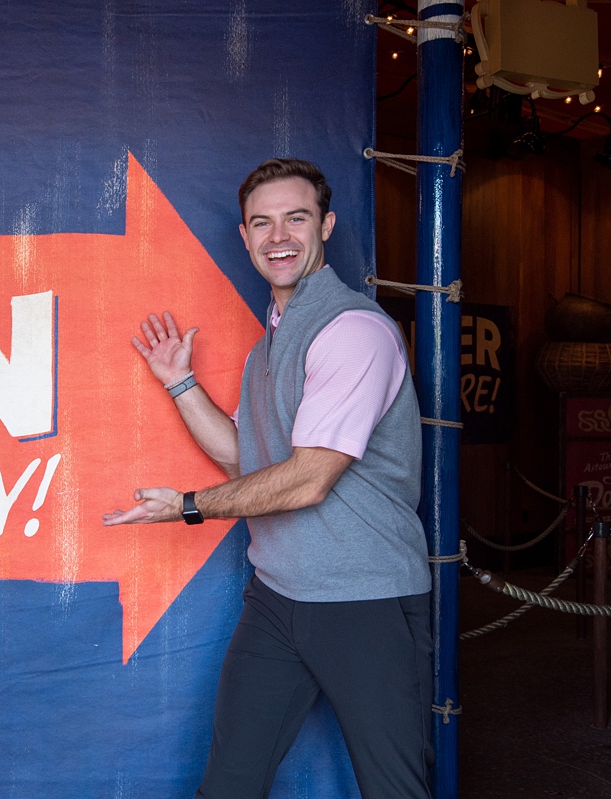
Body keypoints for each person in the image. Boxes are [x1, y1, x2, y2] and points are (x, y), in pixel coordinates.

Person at [103, 158, 433, 798]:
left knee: (395, 790)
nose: (278, 236)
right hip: (279, 598)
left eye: (296, 218)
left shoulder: (353, 330)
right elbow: (247, 460)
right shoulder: (268, 347)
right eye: (262, 222)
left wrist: (189, 507)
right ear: (246, 236)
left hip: (364, 602)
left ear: (327, 226)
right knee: (230, 782)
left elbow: (308, 480)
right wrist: (180, 382)